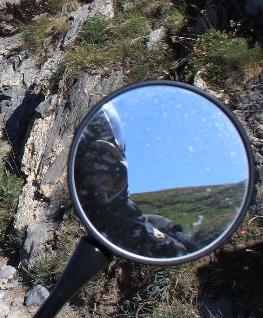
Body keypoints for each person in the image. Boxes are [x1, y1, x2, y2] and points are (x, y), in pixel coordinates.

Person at [73, 103, 194, 258]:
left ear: (121, 173)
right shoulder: (147, 225)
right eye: (86, 165)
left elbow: (179, 252)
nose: (95, 177)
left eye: (103, 162)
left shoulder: (154, 227)